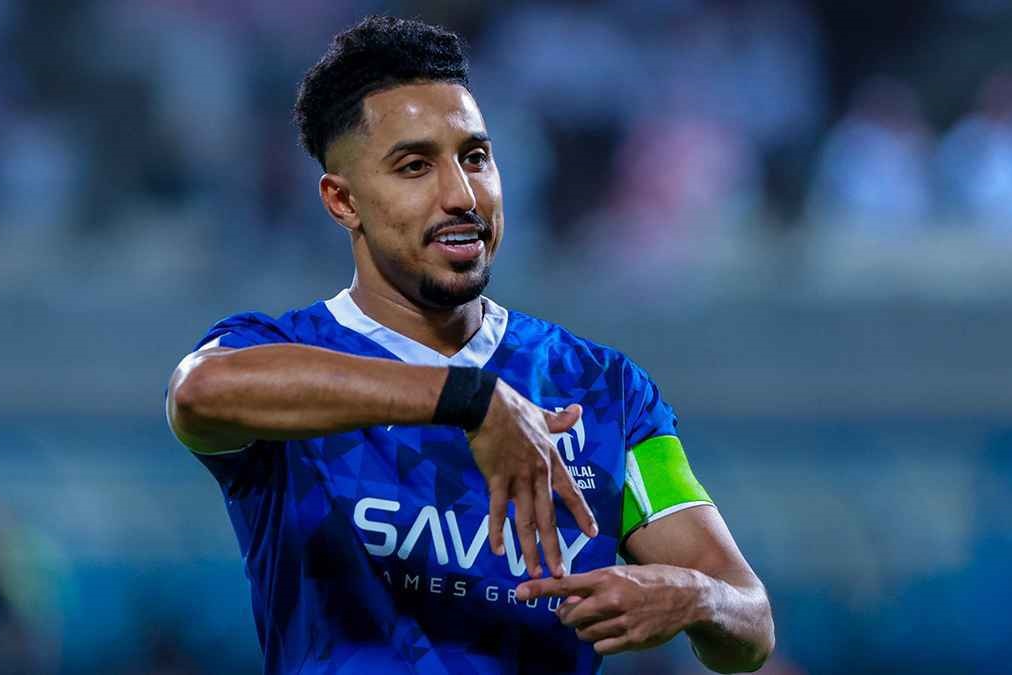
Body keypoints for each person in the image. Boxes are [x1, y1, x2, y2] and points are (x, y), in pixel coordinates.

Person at [167, 16, 773, 674]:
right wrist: (470, 398)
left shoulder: (604, 389)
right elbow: (200, 391)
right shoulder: (284, 350)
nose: (461, 195)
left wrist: (693, 596)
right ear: (343, 201)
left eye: (476, 157)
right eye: (414, 166)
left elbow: (750, 619)